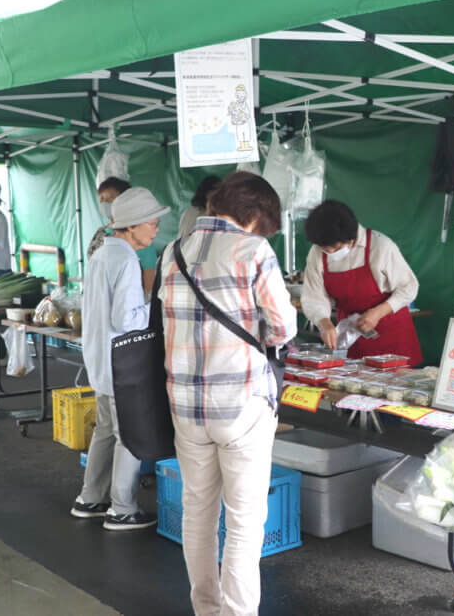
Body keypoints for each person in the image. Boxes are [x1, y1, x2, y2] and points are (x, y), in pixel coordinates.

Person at [158, 171, 296, 615]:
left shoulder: (173, 251)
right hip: (240, 404)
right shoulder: (253, 250)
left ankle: (206, 608)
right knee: (244, 522)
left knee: (197, 513)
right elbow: (284, 328)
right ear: (253, 215)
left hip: (185, 405)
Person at [70, 187, 169, 531]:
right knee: (130, 434)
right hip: (122, 363)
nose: (156, 229)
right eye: (152, 223)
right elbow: (126, 319)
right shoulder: (126, 260)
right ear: (133, 225)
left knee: (105, 431)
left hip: (100, 360)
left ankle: (90, 498)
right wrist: (155, 307)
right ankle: (122, 508)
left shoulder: (102, 253)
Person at [302, 200, 422, 366]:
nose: (329, 252)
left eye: (336, 248)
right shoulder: (316, 253)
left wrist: (378, 312)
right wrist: (324, 323)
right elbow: (313, 296)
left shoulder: (380, 246)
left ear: (351, 238)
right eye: (324, 249)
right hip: (351, 337)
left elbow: (409, 287)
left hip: (391, 334)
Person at [88, 177, 160, 296]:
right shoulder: (101, 232)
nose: (103, 204)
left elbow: (149, 286)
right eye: (101, 199)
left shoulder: (142, 242)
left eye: (108, 199)